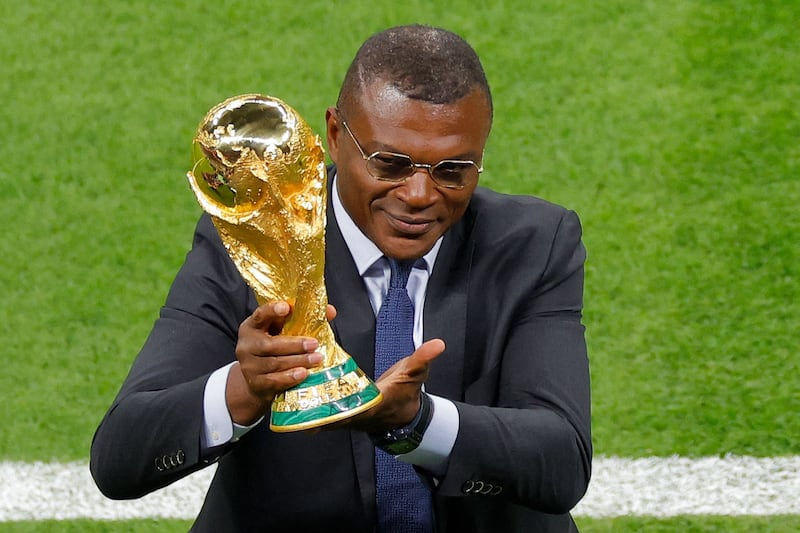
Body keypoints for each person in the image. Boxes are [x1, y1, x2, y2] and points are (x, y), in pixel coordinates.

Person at [91, 24, 592, 532]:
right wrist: (245, 389)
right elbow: (120, 459)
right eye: (390, 163)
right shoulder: (253, 239)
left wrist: (416, 423)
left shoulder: (535, 243)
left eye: (453, 170)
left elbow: (562, 463)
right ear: (334, 135)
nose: (419, 193)